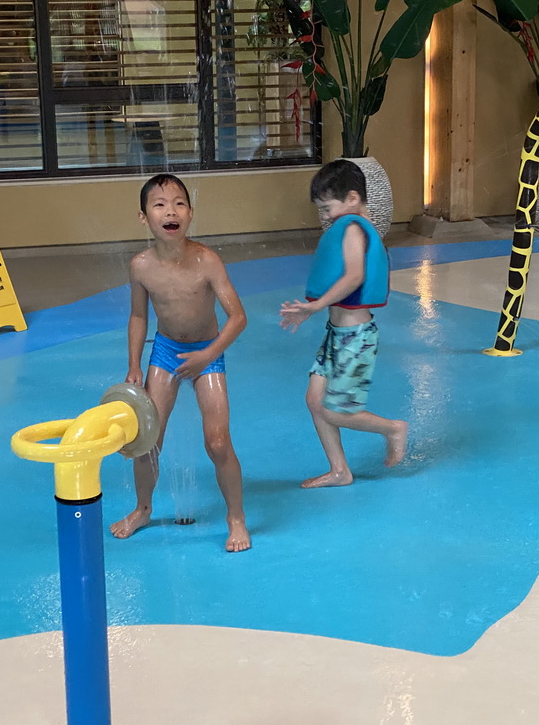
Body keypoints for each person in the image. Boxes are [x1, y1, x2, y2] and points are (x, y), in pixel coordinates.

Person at [110, 174, 251, 552]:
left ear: (190, 213)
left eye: (179, 204)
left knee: (219, 443)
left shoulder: (207, 261)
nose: (170, 211)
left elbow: (238, 317)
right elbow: (139, 317)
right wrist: (134, 365)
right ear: (144, 217)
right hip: (167, 352)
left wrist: (207, 355)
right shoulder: (140, 266)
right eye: (159, 204)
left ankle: (235, 517)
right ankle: (142, 509)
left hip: (208, 351)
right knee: (147, 442)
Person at [279, 160, 408, 488]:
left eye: (327, 208)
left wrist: (315, 306)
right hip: (337, 334)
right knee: (314, 400)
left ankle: (393, 428)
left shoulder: (352, 227)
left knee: (335, 410)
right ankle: (339, 471)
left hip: (355, 338)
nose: (324, 216)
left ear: (352, 198)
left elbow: (354, 275)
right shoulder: (348, 224)